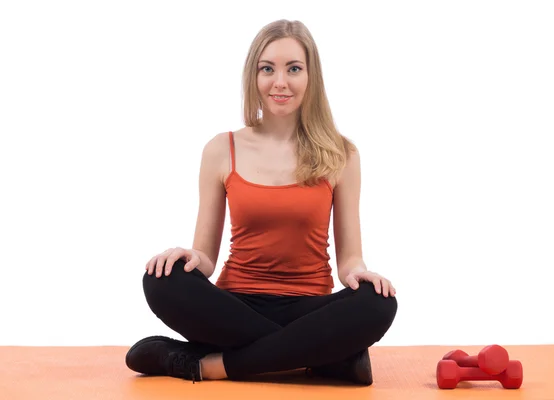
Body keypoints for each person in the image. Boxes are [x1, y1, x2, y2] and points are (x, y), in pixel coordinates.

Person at [125, 19, 397, 386]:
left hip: (309, 309)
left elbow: (350, 259)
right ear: (253, 77)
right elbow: (205, 257)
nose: (279, 82)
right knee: (160, 280)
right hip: (235, 306)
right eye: (267, 69)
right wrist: (184, 255)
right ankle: (324, 357)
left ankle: (207, 365)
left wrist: (360, 274)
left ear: (311, 76)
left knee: (378, 303)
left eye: (293, 69)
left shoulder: (342, 154)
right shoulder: (223, 149)